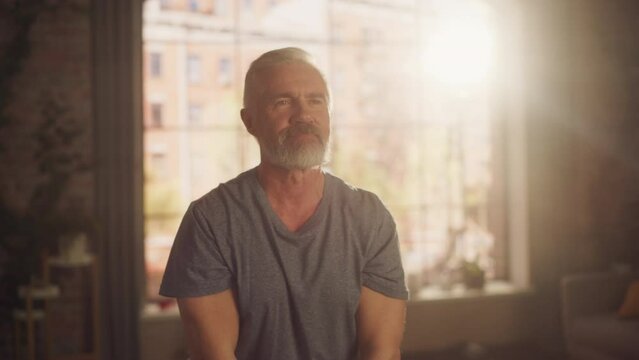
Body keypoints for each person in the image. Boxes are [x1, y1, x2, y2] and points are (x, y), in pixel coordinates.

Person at [160, 47, 408, 360]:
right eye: (283, 101)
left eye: (315, 100)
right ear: (249, 121)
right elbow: (215, 355)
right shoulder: (211, 221)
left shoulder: (369, 218)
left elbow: (381, 351)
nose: (303, 114)